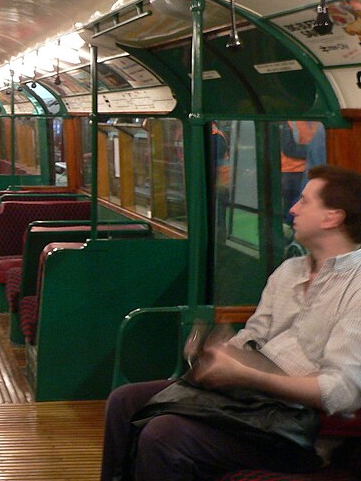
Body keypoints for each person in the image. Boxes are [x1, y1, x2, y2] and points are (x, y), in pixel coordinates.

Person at [101, 164, 361, 480]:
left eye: (305, 201)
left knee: (164, 434)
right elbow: (254, 336)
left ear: (331, 217)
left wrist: (248, 375)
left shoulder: (357, 288)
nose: (293, 208)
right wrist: (220, 354)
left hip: (300, 428)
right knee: (124, 402)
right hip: (249, 403)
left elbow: (342, 391)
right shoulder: (290, 271)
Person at [281, 121, 322, 223]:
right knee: (293, 205)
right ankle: (290, 226)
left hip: (311, 169)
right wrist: (314, 149)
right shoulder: (289, 123)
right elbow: (290, 149)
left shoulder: (318, 123)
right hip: (291, 172)